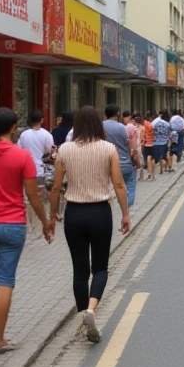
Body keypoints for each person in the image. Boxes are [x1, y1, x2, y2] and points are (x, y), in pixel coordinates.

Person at [0, 108, 53, 357]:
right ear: (14, 127)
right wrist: (45, 221)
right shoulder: (22, 156)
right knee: (5, 281)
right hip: (13, 225)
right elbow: (33, 195)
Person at [51, 106, 131, 344]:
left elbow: (56, 186)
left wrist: (52, 215)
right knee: (101, 268)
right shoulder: (108, 149)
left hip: (74, 214)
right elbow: (118, 184)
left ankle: (81, 317)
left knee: (80, 271)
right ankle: (92, 309)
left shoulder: (65, 149)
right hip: (100, 213)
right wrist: (125, 214)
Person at [17, 110, 56, 219]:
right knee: (41, 197)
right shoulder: (47, 135)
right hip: (41, 171)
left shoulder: (24, 135)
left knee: (28, 198)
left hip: (27, 171)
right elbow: (50, 153)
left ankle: (30, 219)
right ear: (42, 120)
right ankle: (41, 218)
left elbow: (19, 150)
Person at [104, 105, 139, 207]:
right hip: (124, 162)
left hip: (106, 163)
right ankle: (126, 205)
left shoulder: (100, 126)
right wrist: (136, 160)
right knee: (130, 183)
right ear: (117, 114)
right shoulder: (122, 127)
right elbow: (129, 145)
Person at [141, 111, 157, 180]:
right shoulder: (150, 124)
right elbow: (154, 132)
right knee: (151, 159)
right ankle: (152, 175)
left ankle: (150, 174)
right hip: (151, 143)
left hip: (146, 143)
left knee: (148, 159)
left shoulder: (143, 125)